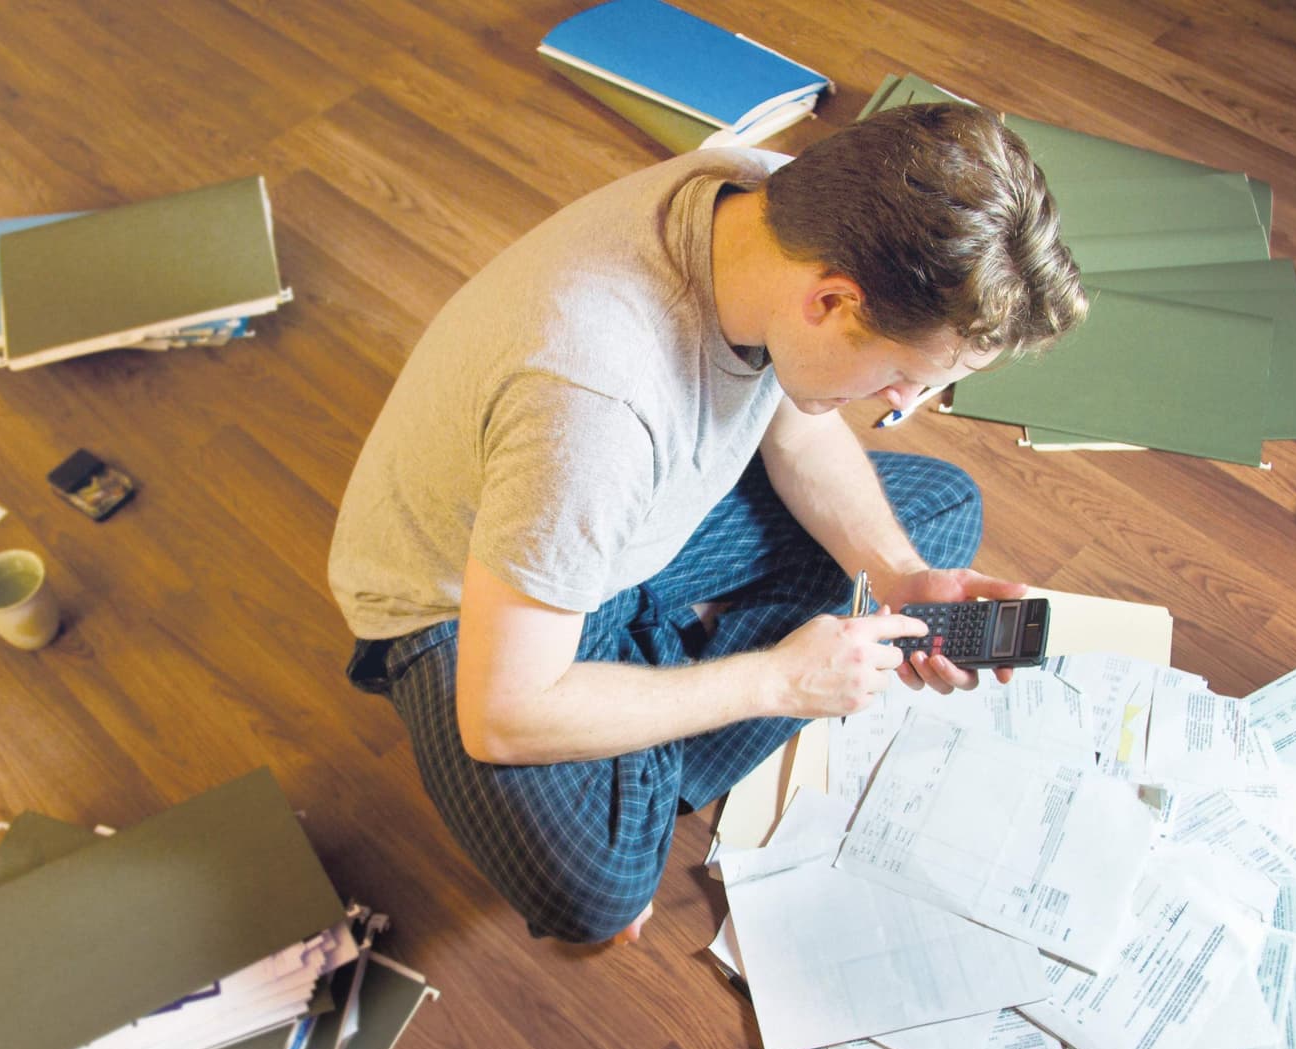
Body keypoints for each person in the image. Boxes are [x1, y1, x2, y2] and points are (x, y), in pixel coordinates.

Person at [328, 103, 1086, 945]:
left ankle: (644, 695)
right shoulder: (591, 405)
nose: (904, 405)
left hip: (613, 522)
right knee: (600, 894)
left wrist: (904, 579)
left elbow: (794, 421)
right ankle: (660, 688)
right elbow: (502, 714)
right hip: (465, 606)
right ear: (832, 302)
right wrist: (778, 683)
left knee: (941, 516)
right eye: (906, 377)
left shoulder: (772, 206)